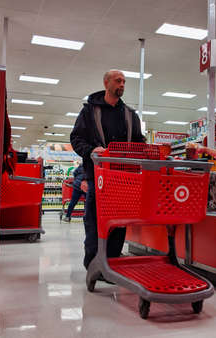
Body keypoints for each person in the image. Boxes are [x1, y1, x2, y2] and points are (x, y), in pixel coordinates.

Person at [70, 70, 145, 270]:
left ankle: (112, 263)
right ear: (106, 82)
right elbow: (76, 138)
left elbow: (139, 141)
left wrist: (143, 152)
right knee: (95, 222)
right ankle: (94, 265)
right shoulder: (89, 111)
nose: (122, 84)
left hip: (124, 179)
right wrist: (91, 150)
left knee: (119, 224)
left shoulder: (130, 114)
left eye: (124, 82)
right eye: (118, 80)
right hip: (98, 177)